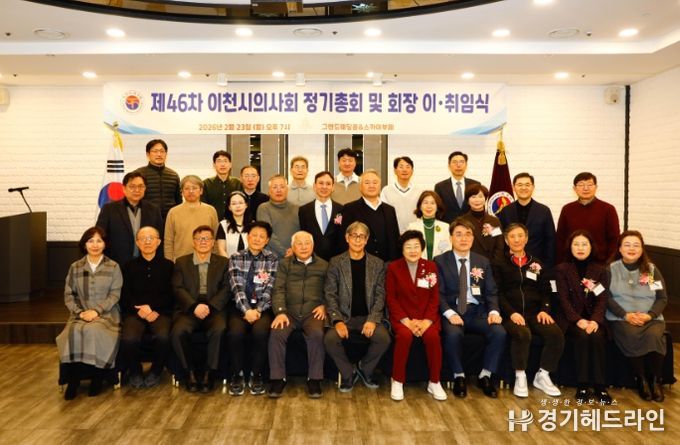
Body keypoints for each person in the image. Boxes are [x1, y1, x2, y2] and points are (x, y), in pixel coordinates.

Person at [435, 217, 506, 399]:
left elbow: (491, 291)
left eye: (468, 234)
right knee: (453, 335)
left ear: (473, 238)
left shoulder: (482, 261)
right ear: (451, 238)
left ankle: (485, 375)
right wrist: (449, 313)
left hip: (477, 312)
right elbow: (438, 293)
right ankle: (459, 376)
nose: (464, 238)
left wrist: (494, 311)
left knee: (499, 332)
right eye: (458, 234)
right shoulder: (440, 261)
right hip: (452, 310)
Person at [492, 223, 564, 398]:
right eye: (512, 237)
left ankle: (543, 375)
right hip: (510, 313)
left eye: (520, 236)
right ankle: (520, 376)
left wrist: (544, 310)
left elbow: (546, 291)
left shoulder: (536, 263)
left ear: (526, 238)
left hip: (535, 313)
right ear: (506, 241)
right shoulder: (499, 263)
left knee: (556, 334)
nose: (516, 240)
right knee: (522, 334)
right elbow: (497, 293)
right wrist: (511, 313)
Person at [56, 226, 122, 400]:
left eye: (99, 241)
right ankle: (73, 380)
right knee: (72, 331)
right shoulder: (75, 267)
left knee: (94, 330)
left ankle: (97, 378)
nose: (95, 245)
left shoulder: (113, 266)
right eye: (90, 241)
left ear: (105, 244)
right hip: (80, 314)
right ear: (84, 244)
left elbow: (115, 294)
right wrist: (80, 313)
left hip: (107, 314)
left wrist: (97, 311)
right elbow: (69, 295)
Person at [324, 222, 391, 392]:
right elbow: (330, 294)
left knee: (383, 339)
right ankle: (348, 373)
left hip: (368, 317)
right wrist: (337, 320)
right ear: (347, 238)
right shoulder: (336, 262)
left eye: (362, 236)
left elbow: (380, 295)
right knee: (330, 339)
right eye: (354, 235)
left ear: (367, 240)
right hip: (344, 317)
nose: (358, 240)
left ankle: (365, 368)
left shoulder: (377, 263)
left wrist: (373, 319)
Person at [606, 230, 668, 402]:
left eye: (636, 245)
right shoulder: (611, 270)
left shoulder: (650, 270)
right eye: (627, 245)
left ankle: (655, 380)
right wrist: (625, 315)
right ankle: (641, 379)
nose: (631, 249)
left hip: (650, 318)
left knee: (654, 335)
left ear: (642, 249)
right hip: (621, 317)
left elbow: (662, 298)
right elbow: (606, 298)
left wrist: (650, 315)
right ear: (619, 248)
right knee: (631, 334)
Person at [386, 230, 447, 401]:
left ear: (422, 248)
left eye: (416, 246)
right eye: (408, 247)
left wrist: (427, 321)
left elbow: (434, 298)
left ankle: (434, 381)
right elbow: (391, 298)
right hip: (402, 318)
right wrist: (407, 321)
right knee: (404, 336)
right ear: (402, 249)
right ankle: (397, 380)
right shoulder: (393, 268)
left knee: (433, 337)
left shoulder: (431, 267)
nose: (412, 250)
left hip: (427, 317)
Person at [268, 231, 328, 399]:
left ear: (313, 246)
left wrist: (325, 306)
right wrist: (280, 312)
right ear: (292, 247)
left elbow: (331, 290)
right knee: (276, 333)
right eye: (299, 244)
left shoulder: (324, 265)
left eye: (307, 243)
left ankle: (314, 379)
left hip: (313, 312)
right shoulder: (284, 264)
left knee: (316, 334)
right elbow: (278, 289)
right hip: (289, 312)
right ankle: (278, 378)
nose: (303, 247)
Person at [555, 230, 612, 404]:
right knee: (581, 337)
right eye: (576, 244)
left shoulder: (600, 270)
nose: (580, 248)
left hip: (594, 318)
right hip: (571, 319)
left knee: (597, 337)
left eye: (584, 244)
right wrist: (578, 320)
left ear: (591, 247)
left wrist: (595, 320)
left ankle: (600, 386)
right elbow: (563, 300)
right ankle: (582, 384)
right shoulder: (562, 269)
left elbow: (602, 299)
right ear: (570, 247)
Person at [170, 225, 229, 393]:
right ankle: (189, 372)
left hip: (214, 308)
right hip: (189, 308)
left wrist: (210, 306)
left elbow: (227, 288)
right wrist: (194, 306)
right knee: (178, 331)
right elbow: (177, 288)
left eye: (207, 239)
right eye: (199, 239)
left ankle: (209, 373)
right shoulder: (181, 262)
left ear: (213, 242)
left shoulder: (224, 262)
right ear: (193, 242)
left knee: (219, 329)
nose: (203, 242)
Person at [226, 221, 278, 396]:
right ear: (248, 237)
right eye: (254, 235)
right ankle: (237, 374)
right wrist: (247, 310)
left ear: (267, 240)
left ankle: (257, 375)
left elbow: (270, 288)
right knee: (235, 333)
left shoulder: (272, 259)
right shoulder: (235, 257)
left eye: (262, 236)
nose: (257, 239)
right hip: (239, 307)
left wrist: (258, 310)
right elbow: (236, 286)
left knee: (260, 333)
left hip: (263, 308)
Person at [119, 226, 174, 389]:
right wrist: (140, 310)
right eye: (143, 238)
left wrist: (153, 309)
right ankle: (135, 371)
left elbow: (172, 294)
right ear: (137, 242)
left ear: (159, 242)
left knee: (163, 337)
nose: (147, 241)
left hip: (160, 312)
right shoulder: (128, 266)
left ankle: (156, 371)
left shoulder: (169, 266)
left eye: (151, 238)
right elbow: (125, 294)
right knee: (129, 339)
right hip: (135, 312)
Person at [96, 171, 163, 267]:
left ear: (145, 188)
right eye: (132, 186)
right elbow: (100, 236)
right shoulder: (109, 209)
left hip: (146, 263)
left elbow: (160, 237)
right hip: (117, 263)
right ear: (124, 188)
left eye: (141, 186)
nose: (137, 190)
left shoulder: (153, 210)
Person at [556, 172, 620, 264]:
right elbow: (560, 238)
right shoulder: (567, 209)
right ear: (574, 188)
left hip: (600, 263)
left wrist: (610, 262)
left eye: (590, 185)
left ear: (596, 187)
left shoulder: (608, 209)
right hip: (571, 263)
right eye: (581, 185)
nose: (586, 188)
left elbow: (614, 239)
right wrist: (561, 263)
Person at [498, 172, 556, 269]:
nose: (523, 188)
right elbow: (501, 239)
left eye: (527, 185)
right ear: (513, 187)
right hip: (510, 264)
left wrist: (547, 266)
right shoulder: (506, 211)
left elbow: (550, 240)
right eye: (520, 185)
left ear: (533, 187)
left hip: (537, 264)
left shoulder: (544, 211)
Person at [341, 169, 401, 262]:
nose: (371, 186)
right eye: (367, 183)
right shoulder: (350, 209)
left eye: (375, 182)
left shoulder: (390, 210)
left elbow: (395, 239)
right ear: (360, 187)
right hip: (360, 262)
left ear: (380, 186)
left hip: (387, 264)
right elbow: (344, 239)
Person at [164, 175, 218, 261]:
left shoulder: (211, 210)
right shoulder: (173, 212)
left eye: (194, 188)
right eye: (187, 188)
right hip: (180, 261)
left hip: (206, 260)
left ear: (201, 191)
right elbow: (168, 241)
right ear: (182, 192)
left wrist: (215, 259)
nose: (191, 191)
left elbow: (215, 238)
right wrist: (169, 262)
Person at [298, 171, 345, 261]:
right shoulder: (304, 210)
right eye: (321, 183)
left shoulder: (341, 210)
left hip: (336, 260)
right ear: (314, 186)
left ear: (333, 187)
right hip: (312, 259)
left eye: (328, 184)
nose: (324, 187)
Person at [134, 139, 181, 220]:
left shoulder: (173, 175)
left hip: (169, 219)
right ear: (148, 154)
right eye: (155, 151)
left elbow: (178, 201)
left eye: (162, 151)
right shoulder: (138, 174)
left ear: (166, 154)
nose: (159, 154)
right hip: (146, 219)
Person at [256, 174, 300, 258]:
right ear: (269, 191)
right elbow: (267, 233)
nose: (279, 190)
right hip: (271, 257)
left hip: (294, 255)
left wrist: (295, 249)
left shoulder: (297, 209)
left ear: (287, 190)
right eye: (275, 187)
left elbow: (301, 233)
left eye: (282, 187)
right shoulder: (264, 208)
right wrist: (284, 251)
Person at [460, 183, 505, 264]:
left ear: (485, 199)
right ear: (468, 201)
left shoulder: (495, 221)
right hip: (470, 264)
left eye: (480, 196)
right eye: (473, 197)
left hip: (492, 265)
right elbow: (459, 245)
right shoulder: (462, 221)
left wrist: (493, 265)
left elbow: (499, 246)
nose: (477, 200)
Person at [434, 151, 480, 223]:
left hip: (471, 226)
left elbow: (480, 207)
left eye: (461, 162)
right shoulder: (440, 187)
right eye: (454, 162)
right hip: (448, 226)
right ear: (449, 166)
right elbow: (437, 210)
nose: (458, 165)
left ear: (466, 165)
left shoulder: (475, 184)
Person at [380, 156, 422, 233]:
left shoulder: (419, 191)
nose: (404, 170)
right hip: (393, 232)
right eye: (401, 167)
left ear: (412, 171)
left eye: (408, 167)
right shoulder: (386, 191)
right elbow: (383, 214)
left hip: (415, 233)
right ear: (395, 171)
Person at [406, 190, 450, 260]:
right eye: (425, 203)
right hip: (418, 264)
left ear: (437, 207)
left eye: (432, 203)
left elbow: (446, 250)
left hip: (439, 265)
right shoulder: (412, 227)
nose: (429, 206)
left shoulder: (445, 227)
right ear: (420, 206)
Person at [201, 150, 243, 221]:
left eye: (225, 161)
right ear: (214, 165)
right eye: (219, 161)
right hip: (213, 222)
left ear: (230, 165)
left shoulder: (238, 183)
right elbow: (203, 206)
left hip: (233, 222)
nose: (222, 164)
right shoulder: (206, 184)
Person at [216, 191, 250, 258]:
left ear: (246, 205)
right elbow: (221, 249)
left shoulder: (253, 225)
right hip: (228, 263)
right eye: (234, 204)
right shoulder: (223, 225)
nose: (238, 206)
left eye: (241, 203)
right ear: (229, 207)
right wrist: (230, 263)